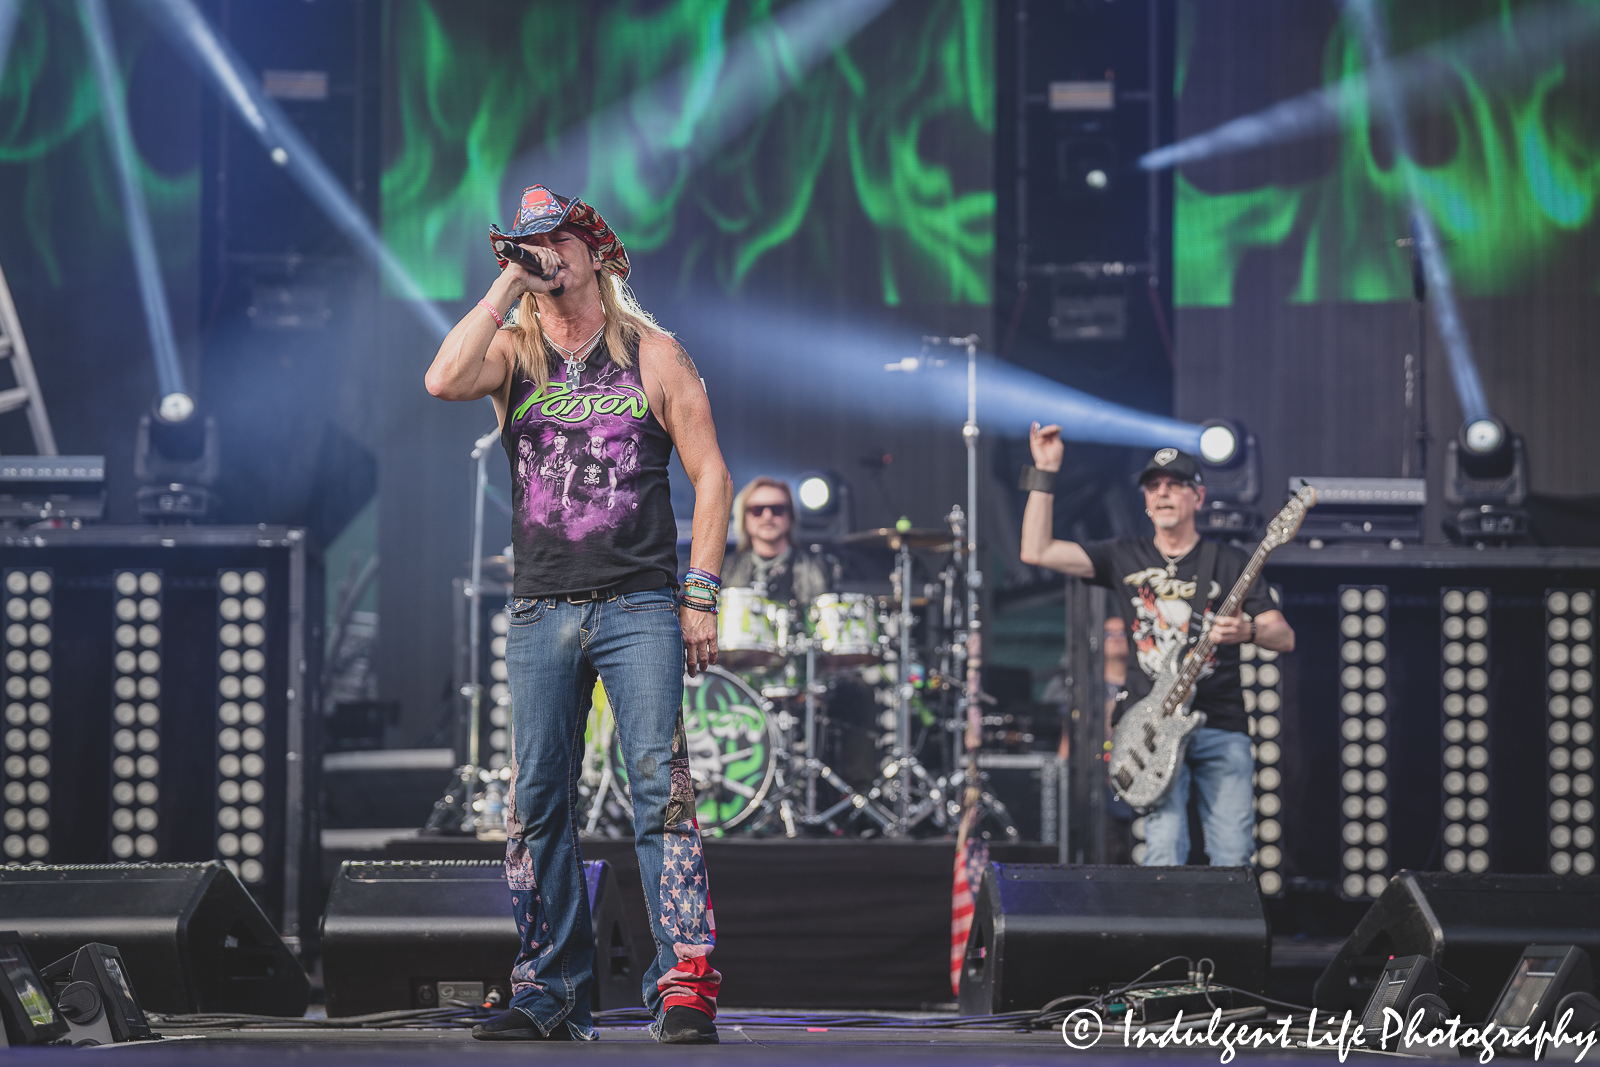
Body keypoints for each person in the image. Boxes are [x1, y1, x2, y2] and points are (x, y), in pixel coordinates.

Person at [426, 184, 733, 1044]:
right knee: (536, 800)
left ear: (593, 249)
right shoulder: (515, 353)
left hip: (638, 602)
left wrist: (699, 591)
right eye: (529, 243)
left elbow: (712, 474)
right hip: (542, 606)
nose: (542, 252)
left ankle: (683, 982)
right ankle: (549, 987)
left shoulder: (654, 353)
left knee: (659, 790)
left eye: (555, 239)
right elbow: (442, 378)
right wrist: (504, 286)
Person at [1019, 427, 1294, 868]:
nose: (1163, 493)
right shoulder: (1124, 554)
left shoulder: (1227, 561)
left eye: (1175, 485)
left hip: (1220, 721)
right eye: (1154, 486)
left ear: (1197, 498)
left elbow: (1284, 635)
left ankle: (1228, 935)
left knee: (1232, 852)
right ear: (1146, 501)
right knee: (1163, 849)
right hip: (1151, 725)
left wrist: (1247, 631)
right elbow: (1036, 551)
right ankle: (1172, 938)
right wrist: (1046, 471)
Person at [722, 476, 831, 606]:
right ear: (744, 518)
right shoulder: (724, 569)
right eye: (757, 510)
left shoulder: (821, 567)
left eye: (777, 509)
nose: (767, 516)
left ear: (790, 516)